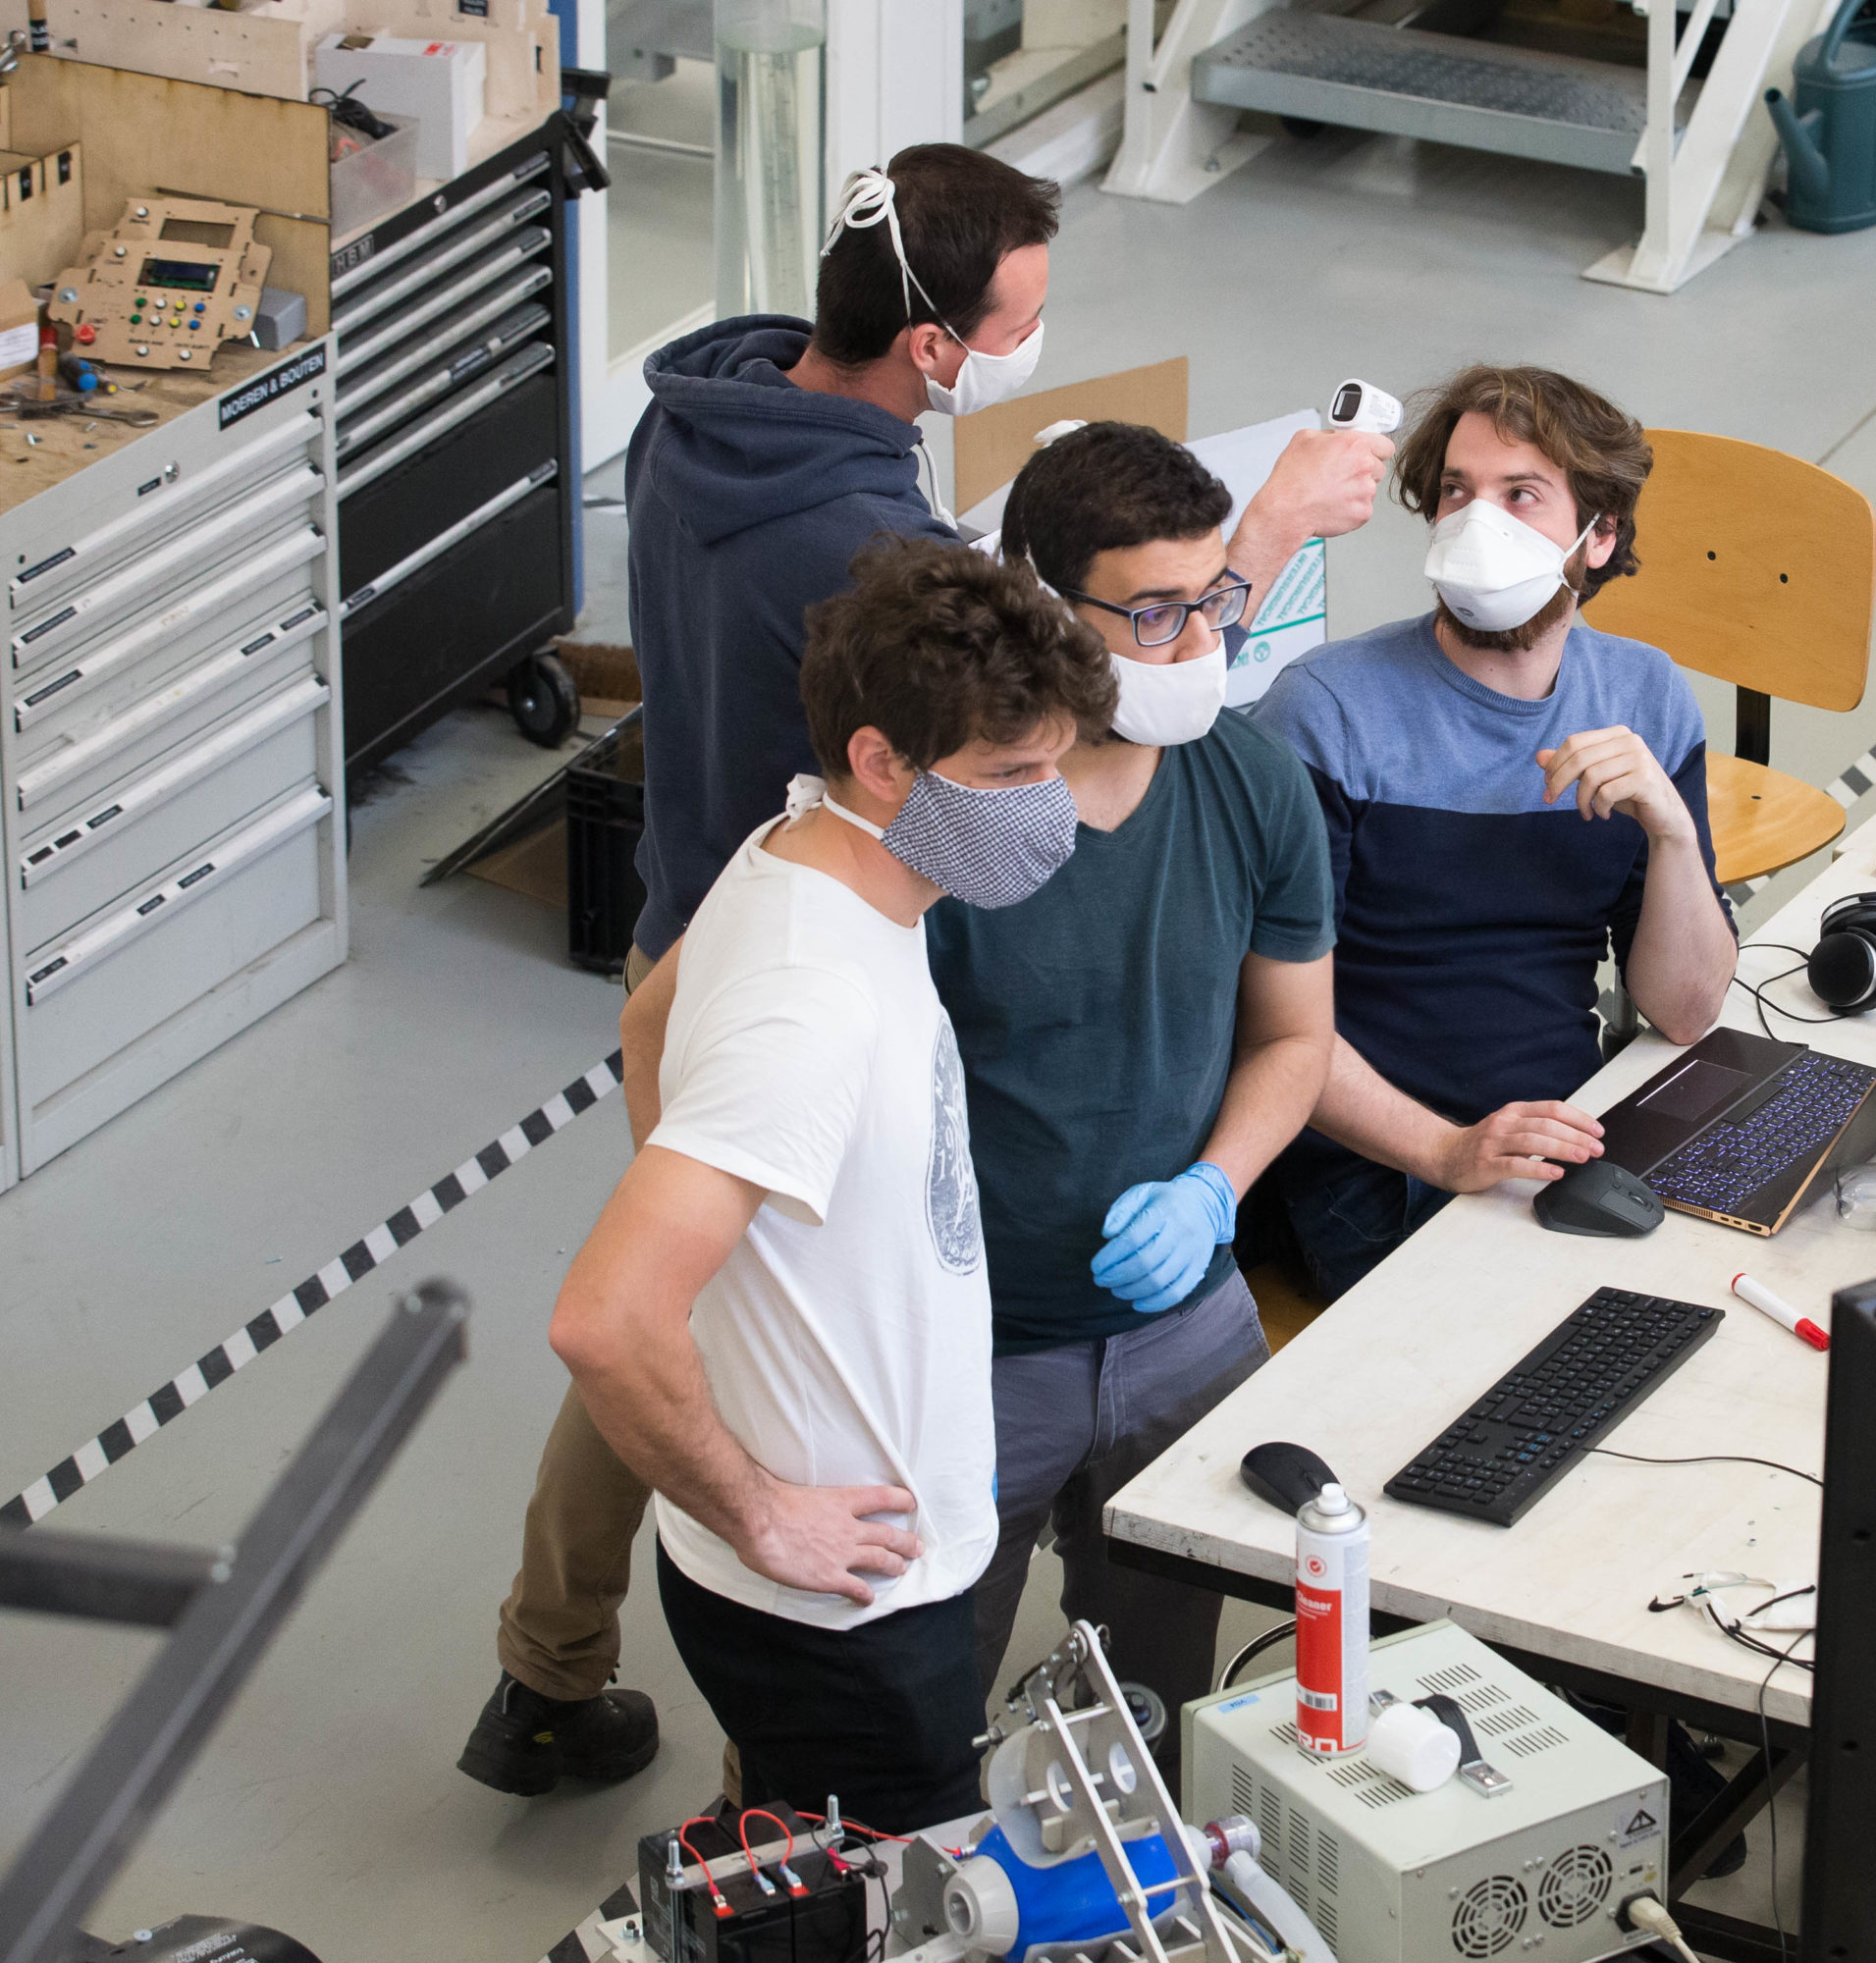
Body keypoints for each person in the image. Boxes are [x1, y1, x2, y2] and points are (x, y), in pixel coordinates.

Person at [459, 141, 1387, 1793]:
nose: (1040, 337)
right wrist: (1261, 547)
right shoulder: (864, 563)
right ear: (939, 345)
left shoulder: (716, 404)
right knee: (703, 1305)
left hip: (704, 902)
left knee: (703, 1275)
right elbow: (1047, 685)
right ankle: (580, 1652)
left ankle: (549, 1661)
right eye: (1023, 314)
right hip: (790, 940)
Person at [546, 539, 1114, 1830]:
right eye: (1013, 776)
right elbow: (603, 1319)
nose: (1054, 807)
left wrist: (746, 1273)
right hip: (843, 1605)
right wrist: (762, 1512)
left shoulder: (799, 847)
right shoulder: (813, 1005)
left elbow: (647, 1027)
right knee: (889, 1902)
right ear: (881, 759)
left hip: (857, 1572)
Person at [938, 422, 1336, 1737]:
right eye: (1156, 612)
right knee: (917, 1728)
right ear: (1049, 607)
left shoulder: (1255, 787)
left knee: (1153, 1719)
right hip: (976, 1352)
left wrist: (1215, 1191)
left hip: (1185, 1332)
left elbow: (1293, 1040)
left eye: (1215, 600)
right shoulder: (956, 818)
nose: (1198, 643)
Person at [1249, 365, 1738, 1299]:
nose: (1480, 521)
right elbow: (1268, 1025)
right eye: (1456, 493)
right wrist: (1447, 1150)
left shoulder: (1645, 695)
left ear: (1600, 537)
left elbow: (1683, 1011)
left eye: (1522, 496)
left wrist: (1673, 838)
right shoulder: (1327, 715)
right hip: (1376, 1160)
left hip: (1569, 1127)